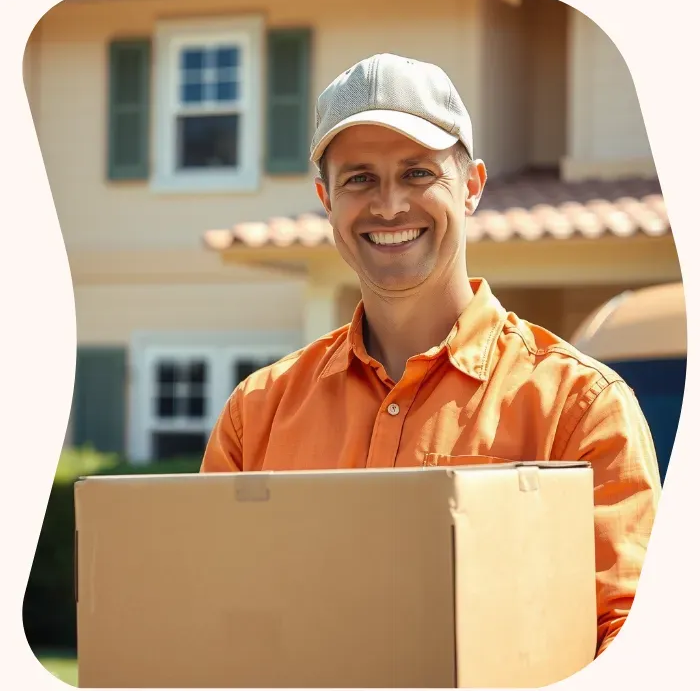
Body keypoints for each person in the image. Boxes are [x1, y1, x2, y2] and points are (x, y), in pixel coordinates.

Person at [200, 53, 662, 658]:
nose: (389, 206)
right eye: (359, 178)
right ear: (326, 200)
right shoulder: (256, 415)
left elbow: (633, 643)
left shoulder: (580, 409)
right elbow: (208, 615)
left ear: (470, 187)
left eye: (418, 173)